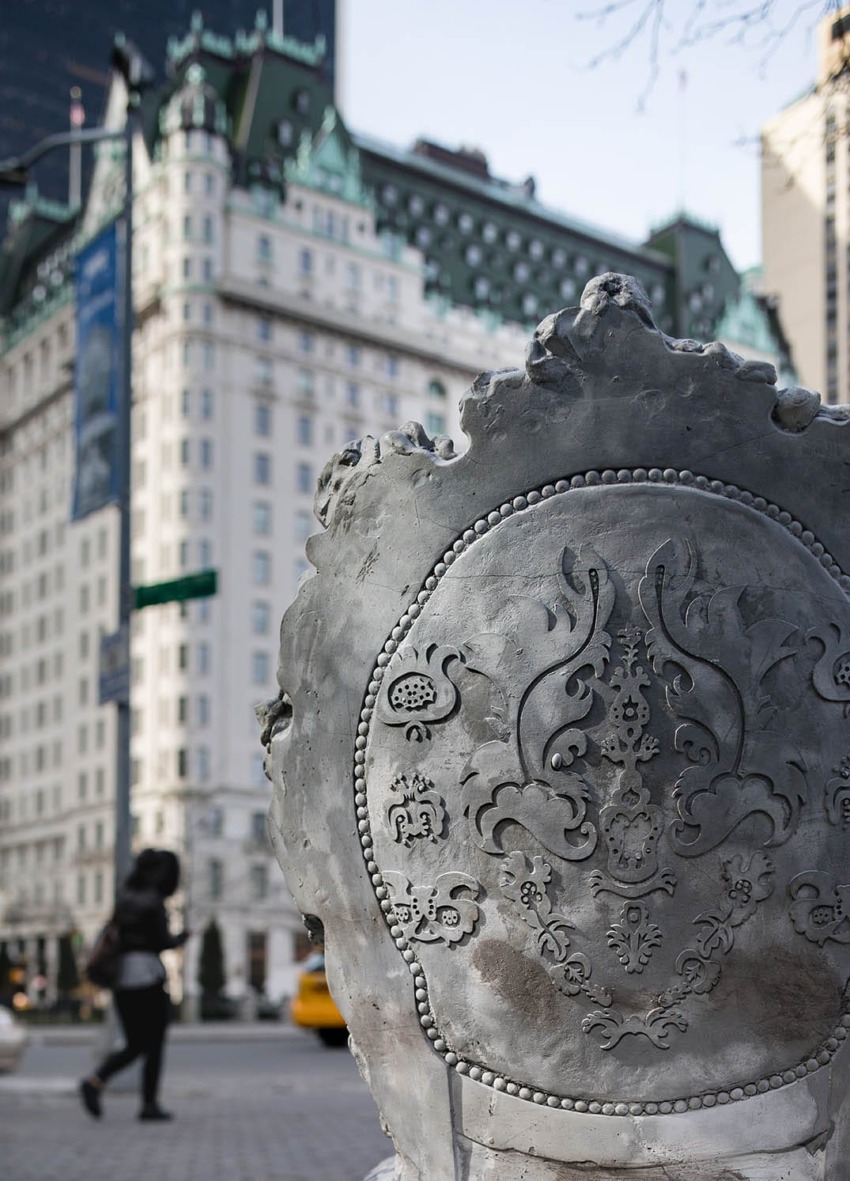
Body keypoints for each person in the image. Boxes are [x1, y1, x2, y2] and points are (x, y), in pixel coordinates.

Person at [79, 848, 190, 1122]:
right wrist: (183, 937)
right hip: (148, 977)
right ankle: (148, 1104)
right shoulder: (154, 902)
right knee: (153, 1045)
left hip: (122, 979)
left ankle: (96, 1081)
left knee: (136, 1043)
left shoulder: (125, 898)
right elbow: (162, 941)